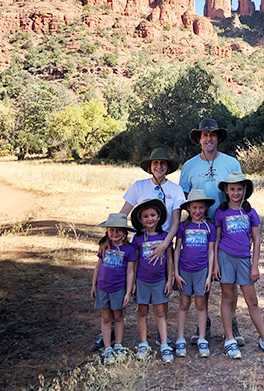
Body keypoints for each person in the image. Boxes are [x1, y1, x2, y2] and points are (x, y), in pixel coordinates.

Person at [91, 147, 184, 352]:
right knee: (126, 283)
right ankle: (111, 331)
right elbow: (123, 213)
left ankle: (163, 336)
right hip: (140, 244)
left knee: (162, 291)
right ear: (150, 167)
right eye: (155, 163)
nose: (159, 166)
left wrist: (164, 245)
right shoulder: (139, 186)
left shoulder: (176, 190)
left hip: (164, 243)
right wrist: (108, 237)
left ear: (168, 167)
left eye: (162, 163)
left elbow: (176, 221)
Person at [179, 118, 244, 345]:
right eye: (205, 134)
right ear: (199, 138)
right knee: (201, 277)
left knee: (229, 280)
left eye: (213, 134)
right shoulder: (188, 167)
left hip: (227, 228)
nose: (209, 138)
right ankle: (202, 325)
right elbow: (183, 199)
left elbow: (239, 194)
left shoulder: (231, 163)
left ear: (218, 138)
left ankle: (233, 324)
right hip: (200, 228)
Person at [213, 172, 264, 359]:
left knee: (252, 301)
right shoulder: (221, 212)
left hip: (244, 259)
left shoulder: (249, 212)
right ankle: (229, 340)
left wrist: (255, 265)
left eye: (239, 189)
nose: (236, 192)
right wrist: (215, 264)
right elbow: (215, 240)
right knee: (227, 298)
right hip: (225, 257)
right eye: (232, 189)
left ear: (245, 190)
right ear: (226, 190)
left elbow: (256, 239)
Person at [173, 189, 216, 358]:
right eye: (194, 208)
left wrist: (209, 275)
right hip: (184, 271)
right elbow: (177, 250)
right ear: (188, 209)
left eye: (201, 208)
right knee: (184, 304)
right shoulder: (183, 226)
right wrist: (176, 273)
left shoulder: (209, 226)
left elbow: (211, 251)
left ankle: (202, 339)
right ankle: (180, 339)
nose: (197, 211)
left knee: (201, 305)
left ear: (205, 209)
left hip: (201, 271)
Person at [130, 199, 174, 363]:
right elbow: (134, 262)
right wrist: (133, 282)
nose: (150, 219)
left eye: (153, 215)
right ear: (141, 220)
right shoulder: (138, 239)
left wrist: (170, 280)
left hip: (159, 281)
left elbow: (169, 259)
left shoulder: (165, 237)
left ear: (159, 217)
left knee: (160, 312)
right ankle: (143, 344)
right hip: (142, 280)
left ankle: (164, 344)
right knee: (142, 311)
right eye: (146, 216)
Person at [91, 213, 136, 364]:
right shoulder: (104, 246)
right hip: (102, 288)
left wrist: (128, 292)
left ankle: (118, 344)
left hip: (118, 289)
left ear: (125, 233)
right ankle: (107, 348)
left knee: (118, 317)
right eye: (111, 231)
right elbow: (98, 266)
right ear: (107, 232)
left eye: (118, 231)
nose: (115, 234)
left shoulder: (129, 250)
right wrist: (93, 285)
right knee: (105, 318)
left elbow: (130, 272)